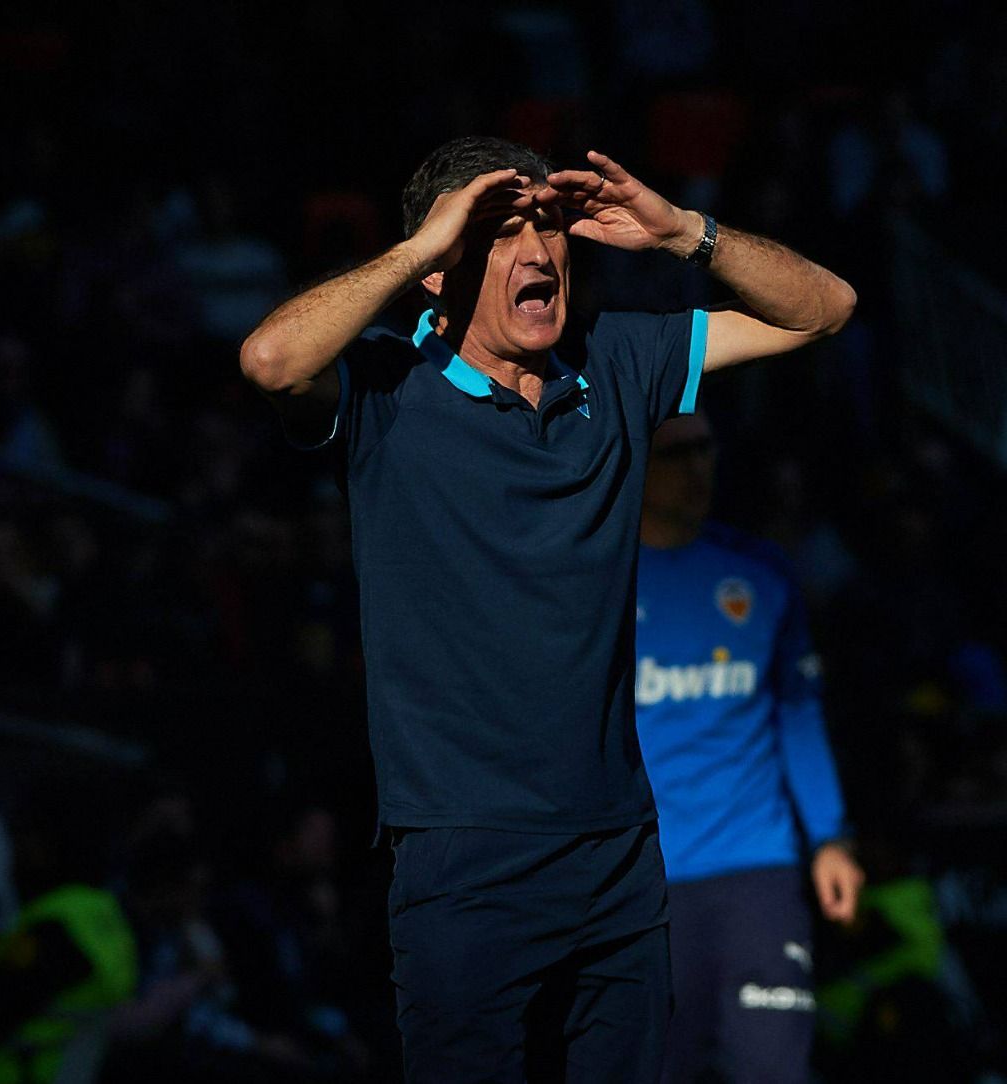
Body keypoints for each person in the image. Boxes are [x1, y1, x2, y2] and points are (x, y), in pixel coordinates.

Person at [238, 136, 856, 1082]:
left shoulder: (619, 360)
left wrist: (683, 232)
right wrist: (414, 255)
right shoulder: (382, 386)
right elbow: (271, 359)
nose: (537, 251)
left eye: (548, 225)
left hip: (618, 855)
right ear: (444, 271)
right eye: (497, 234)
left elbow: (827, 311)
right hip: (463, 859)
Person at [634, 411, 865, 1083]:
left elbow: (797, 713)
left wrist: (829, 837)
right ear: (635, 467)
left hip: (758, 868)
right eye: (676, 455)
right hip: (644, 882)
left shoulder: (760, 573)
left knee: (775, 1068)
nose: (697, 468)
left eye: (706, 449)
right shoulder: (595, 585)